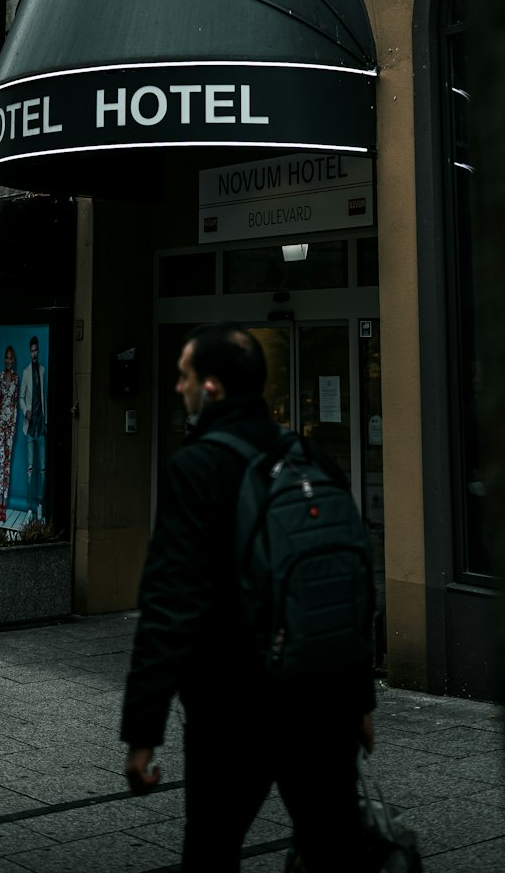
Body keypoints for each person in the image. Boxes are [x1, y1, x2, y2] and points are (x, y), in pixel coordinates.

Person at [120, 323, 376, 872]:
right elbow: (347, 583)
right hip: (323, 697)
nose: (177, 389)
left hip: (233, 705)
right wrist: (358, 699)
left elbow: (170, 604)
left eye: (184, 376)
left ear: (210, 388)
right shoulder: (309, 456)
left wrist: (143, 733)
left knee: (212, 847)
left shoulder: (197, 468)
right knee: (335, 846)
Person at [19, 335, 47, 521]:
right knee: (30, 469)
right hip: (30, 428)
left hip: (41, 426)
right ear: (29, 352)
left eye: (36, 350)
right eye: (32, 350)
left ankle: (40, 504)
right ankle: (29, 508)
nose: (34, 353)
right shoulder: (26, 372)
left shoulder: (43, 371)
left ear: (39, 351)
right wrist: (25, 410)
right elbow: (21, 397)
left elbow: (45, 396)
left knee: (43, 469)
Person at [0, 343, 18, 523]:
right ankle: (0, 501)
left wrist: (14, 422)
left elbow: (15, 402)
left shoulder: (16, 378)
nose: (8, 361)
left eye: (11, 358)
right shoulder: (1, 376)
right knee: (1, 462)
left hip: (11, 423)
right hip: (1, 423)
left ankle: (4, 504)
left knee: (7, 465)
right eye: (6, 357)